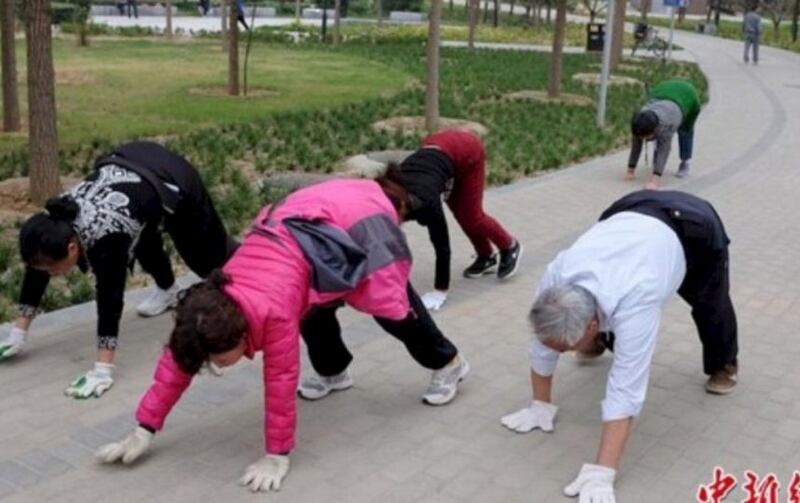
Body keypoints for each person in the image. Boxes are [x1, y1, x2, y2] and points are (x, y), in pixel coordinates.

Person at [96, 178, 469, 493]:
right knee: (312, 310)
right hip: (303, 234)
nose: (218, 367)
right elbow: (179, 361)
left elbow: (280, 381)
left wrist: (277, 455)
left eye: (220, 359)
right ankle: (334, 372)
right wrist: (144, 428)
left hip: (355, 220)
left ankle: (448, 362)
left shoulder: (271, 314)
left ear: (242, 335)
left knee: (392, 308)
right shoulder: (205, 307)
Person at [500, 190, 737, 502]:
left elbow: (626, 388)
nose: (559, 354)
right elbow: (542, 343)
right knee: (592, 326)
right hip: (631, 208)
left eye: (566, 348)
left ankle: (724, 364)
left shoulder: (638, 298)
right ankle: (596, 345)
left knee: (710, 306)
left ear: (592, 325)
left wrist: (603, 470)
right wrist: (540, 404)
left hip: (694, 229)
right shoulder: (556, 277)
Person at [0, 142, 237, 399]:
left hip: (173, 178)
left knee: (207, 259)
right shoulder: (51, 222)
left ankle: (253, 279)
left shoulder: (106, 235)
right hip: (136, 172)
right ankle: (168, 291)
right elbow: (37, 268)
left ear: (71, 248)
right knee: (142, 234)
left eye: (53, 269)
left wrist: (102, 369)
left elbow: (110, 299)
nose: (52, 274)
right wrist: (18, 333)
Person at [392, 129, 522, 311]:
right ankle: (486, 256)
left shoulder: (428, 203)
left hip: (467, 151)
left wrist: (440, 290)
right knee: (462, 213)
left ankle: (509, 245)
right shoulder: (389, 193)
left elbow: (442, 246)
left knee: (471, 216)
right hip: (439, 151)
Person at [626, 79, 701, 189]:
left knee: (685, 132)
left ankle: (684, 162)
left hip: (687, 96)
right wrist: (630, 170)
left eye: (645, 137)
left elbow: (664, 149)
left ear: (654, 130)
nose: (643, 140)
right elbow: (636, 145)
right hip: (662, 91)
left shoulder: (667, 125)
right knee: (654, 139)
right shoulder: (641, 120)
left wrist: (655, 180)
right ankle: (657, 164)